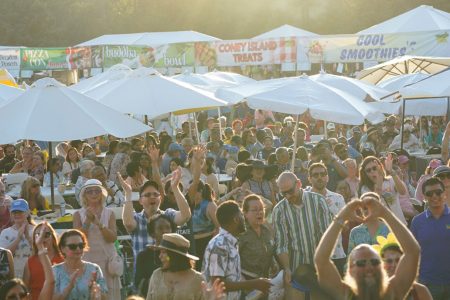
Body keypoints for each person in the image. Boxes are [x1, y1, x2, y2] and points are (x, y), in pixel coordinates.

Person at [314, 192, 421, 300]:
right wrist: (341, 217)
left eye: (375, 262)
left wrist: (385, 213)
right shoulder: (344, 294)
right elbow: (321, 260)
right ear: (350, 269)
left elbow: (412, 252)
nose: (369, 267)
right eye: (361, 263)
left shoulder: (392, 292)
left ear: (382, 266)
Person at [273, 171, 332, 299]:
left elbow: (326, 237)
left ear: (299, 184)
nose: (288, 196)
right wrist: (287, 269)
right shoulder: (279, 210)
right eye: (284, 193)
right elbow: (281, 244)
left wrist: (324, 266)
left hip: (320, 267)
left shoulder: (318, 201)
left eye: (290, 191)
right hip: (296, 270)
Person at [202, 201, 272, 300]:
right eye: (241, 216)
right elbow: (217, 284)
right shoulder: (220, 245)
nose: (244, 219)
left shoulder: (231, 242)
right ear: (236, 219)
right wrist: (254, 284)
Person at [121, 167, 191, 263]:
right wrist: (128, 193)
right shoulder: (136, 218)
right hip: (144, 272)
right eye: (148, 195)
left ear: (160, 199)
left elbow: (185, 216)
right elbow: (128, 223)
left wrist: (175, 188)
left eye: (155, 194)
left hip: (167, 270)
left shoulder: (168, 215)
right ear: (140, 201)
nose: (152, 197)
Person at [73, 179, 120, 299]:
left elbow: (112, 238)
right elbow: (77, 240)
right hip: (87, 260)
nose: (94, 194)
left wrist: (99, 224)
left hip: (107, 261)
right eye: (90, 192)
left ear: (102, 193)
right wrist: (88, 221)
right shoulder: (78, 214)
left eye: (97, 191)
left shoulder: (110, 213)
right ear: (84, 195)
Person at [411, 177, 450, 300]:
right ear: (424, 197)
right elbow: (412, 253)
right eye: (429, 193)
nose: (434, 196)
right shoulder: (417, 222)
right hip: (428, 283)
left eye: (438, 192)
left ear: (444, 193)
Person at [306, 163, 347, 275]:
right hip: (313, 255)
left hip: (336, 253)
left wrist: (331, 208)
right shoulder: (304, 199)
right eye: (315, 175)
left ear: (327, 177)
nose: (320, 177)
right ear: (309, 179)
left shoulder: (338, 198)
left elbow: (344, 225)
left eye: (323, 174)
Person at [0, 228, 55, 300]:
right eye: (12, 298)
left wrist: (40, 248)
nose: (18, 299)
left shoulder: (5, 254)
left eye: (22, 295)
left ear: (28, 297)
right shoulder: (30, 262)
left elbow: (50, 281)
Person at [373, 233, 432, 300]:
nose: (394, 265)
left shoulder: (419, 291)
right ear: (383, 265)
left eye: (398, 260)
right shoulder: (377, 291)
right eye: (389, 261)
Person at [52, 229, 107, 300]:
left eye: (81, 245)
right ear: (62, 249)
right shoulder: (55, 271)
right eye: (72, 246)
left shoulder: (94, 268)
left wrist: (96, 293)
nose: (78, 249)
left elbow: (106, 297)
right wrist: (69, 287)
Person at [146, 233, 204, 299]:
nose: (160, 256)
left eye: (164, 252)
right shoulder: (156, 275)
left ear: (175, 256)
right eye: (160, 252)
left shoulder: (198, 279)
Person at [135, 215, 176, 297]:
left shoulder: (178, 254)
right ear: (152, 234)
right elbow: (139, 283)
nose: (165, 231)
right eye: (160, 228)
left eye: (168, 227)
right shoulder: (143, 256)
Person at [358, 155, 407, 224]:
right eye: (368, 170)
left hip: (399, 223)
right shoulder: (365, 189)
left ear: (380, 167)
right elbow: (373, 204)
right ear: (365, 174)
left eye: (374, 168)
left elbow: (402, 192)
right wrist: (379, 181)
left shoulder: (390, 180)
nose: (372, 171)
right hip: (382, 228)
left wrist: (391, 172)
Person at [23, 222, 63, 300]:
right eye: (38, 235)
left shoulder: (63, 259)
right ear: (34, 240)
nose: (42, 238)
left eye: (46, 234)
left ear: (53, 237)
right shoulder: (30, 261)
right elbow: (25, 288)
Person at [239, 195, 275, 279]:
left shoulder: (266, 230)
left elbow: (270, 249)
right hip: (248, 282)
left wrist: (273, 265)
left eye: (261, 209)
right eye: (255, 210)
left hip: (266, 279)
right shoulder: (241, 233)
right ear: (245, 213)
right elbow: (232, 262)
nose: (260, 212)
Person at [0, 199, 35, 278]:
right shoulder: (5, 233)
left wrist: (28, 238)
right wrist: (18, 239)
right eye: (14, 212)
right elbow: (3, 257)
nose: (17, 214)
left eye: (20, 212)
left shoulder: (36, 231)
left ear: (27, 213)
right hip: (13, 275)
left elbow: (40, 253)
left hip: (33, 273)